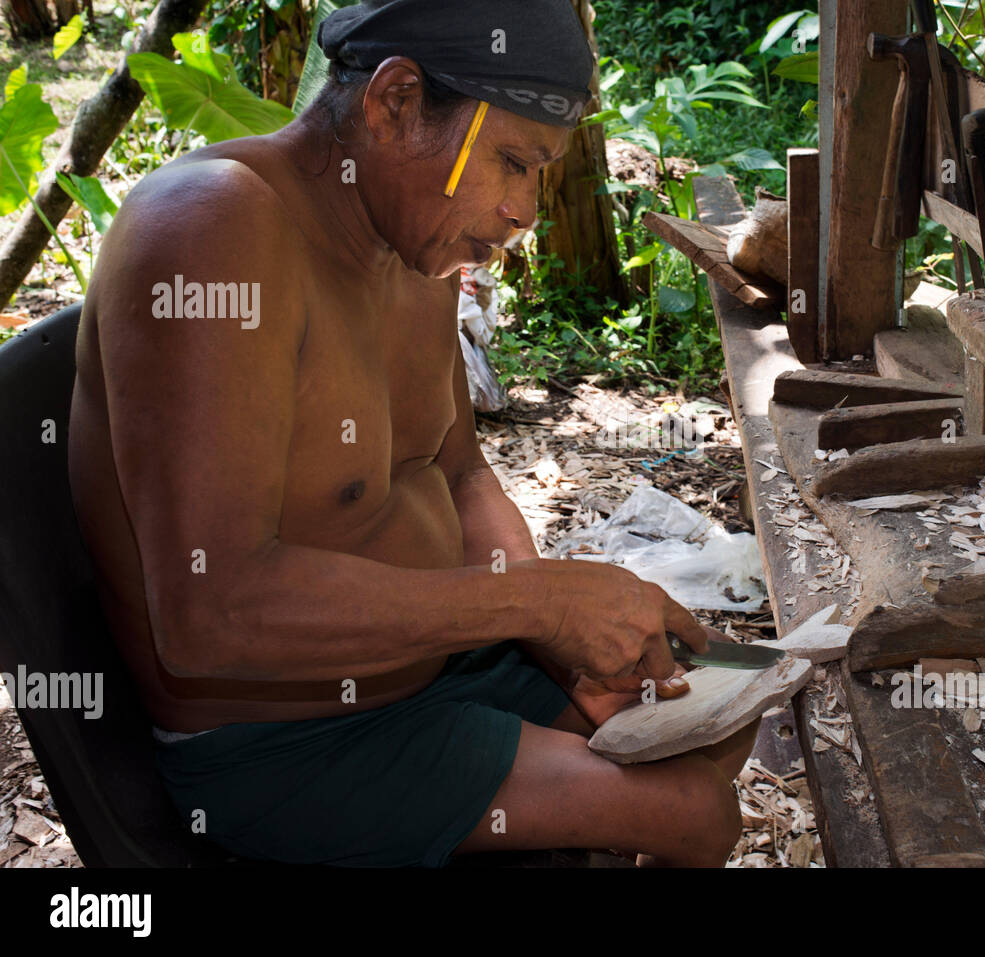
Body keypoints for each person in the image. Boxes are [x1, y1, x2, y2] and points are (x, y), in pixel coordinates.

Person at [67, 0, 754, 867]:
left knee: (718, 717)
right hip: (291, 745)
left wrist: (559, 639)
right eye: (512, 162)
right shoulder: (212, 231)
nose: (525, 211)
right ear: (393, 103)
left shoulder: (413, 239)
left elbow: (457, 471)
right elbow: (212, 609)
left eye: (539, 172)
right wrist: (536, 601)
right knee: (695, 810)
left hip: (441, 663)